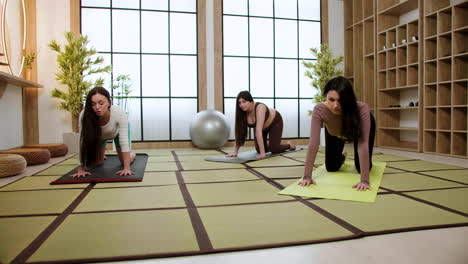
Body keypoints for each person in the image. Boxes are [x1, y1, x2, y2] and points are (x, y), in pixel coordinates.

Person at [299, 76, 376, 191]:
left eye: (340, 100)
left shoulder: (361, 108)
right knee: (331, 167)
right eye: (331, 99)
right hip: (335, 132)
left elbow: (363, 143)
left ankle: (365, 163)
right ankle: (342, 156)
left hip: (356, 130)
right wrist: (307, 177)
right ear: (326, 96)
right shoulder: (319, 110)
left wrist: (364, 180)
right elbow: (313, 144)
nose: (335, 105)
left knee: (361, 168)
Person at [71, 86, 136, 177]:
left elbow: (124, 141)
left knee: (124, 160)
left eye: (101, 103)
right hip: (99, 136)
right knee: (97, 162)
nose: (97, 107)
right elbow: (83, 141)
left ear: (109, 103)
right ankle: (101, 154)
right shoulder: (85, 115)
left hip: (116, 133)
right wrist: (81, 168)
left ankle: (132, 154)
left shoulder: (119, 113)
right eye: (93, 104)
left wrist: (126, 168)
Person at [227, 90, 296, 159]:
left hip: (274, 122)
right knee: (258, 149)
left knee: (274, 149)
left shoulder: (260, 107)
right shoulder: (243, 113)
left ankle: (289, 145)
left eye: (244, 102)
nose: (241, 105)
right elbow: (239, 132)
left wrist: (263, 154)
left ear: (251, 101)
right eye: (239, 103)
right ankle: (272, 144)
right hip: (261, 128)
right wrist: (235, 152)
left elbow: (258, 131)